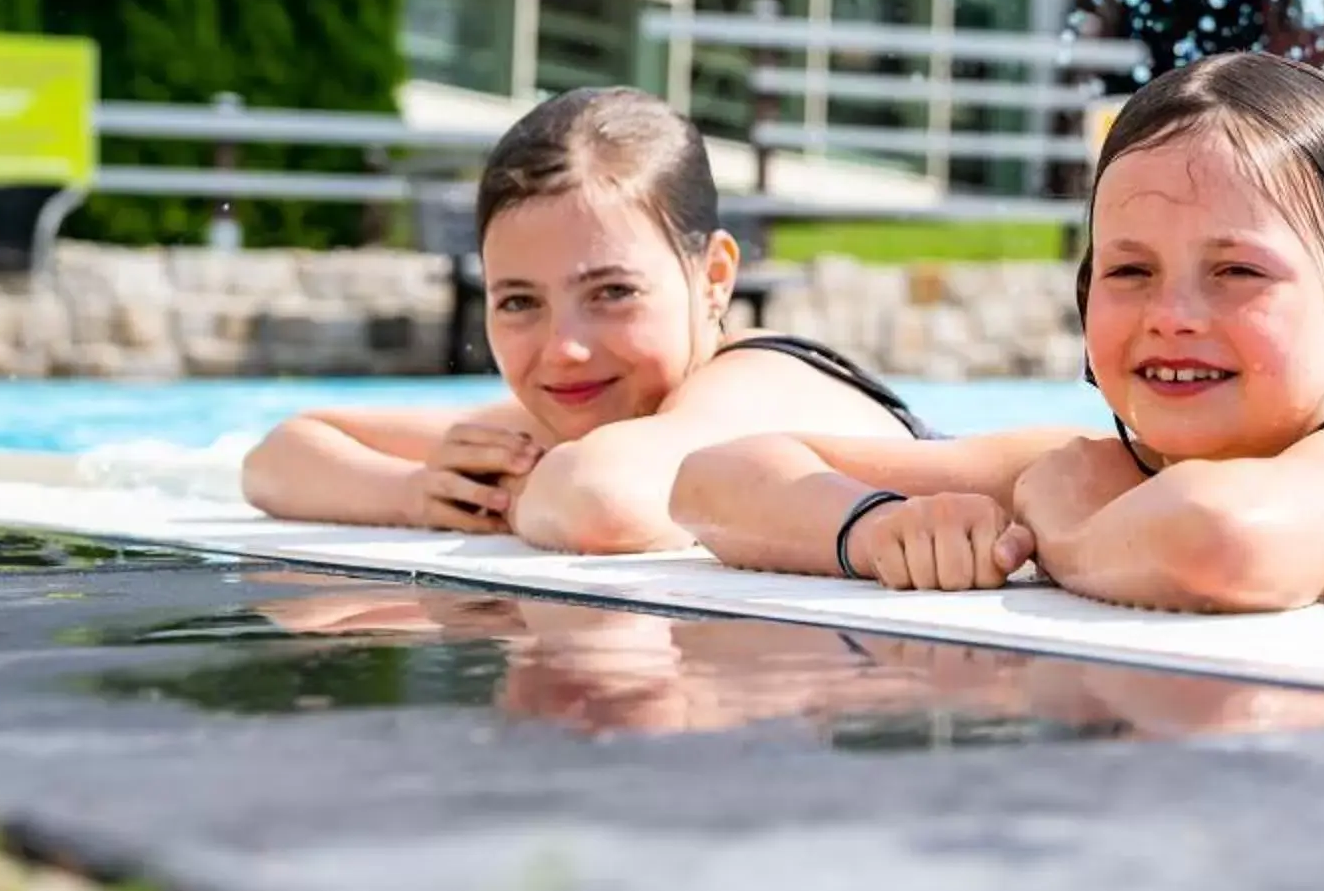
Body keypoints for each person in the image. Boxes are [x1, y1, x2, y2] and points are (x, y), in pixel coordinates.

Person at [672, 51, 1324, 613]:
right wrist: (878, 528)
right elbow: (713, 479)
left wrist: (1063, 529)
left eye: (1237, 273)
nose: (1171, 315)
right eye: (1130, 272)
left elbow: (1221, 541)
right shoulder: (1085, 466)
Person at [240, 87, 924, 548]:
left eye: (612, 293)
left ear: (713, 277)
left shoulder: (753, 385)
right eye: (518, 302)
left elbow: (601, 500)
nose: (563, 349)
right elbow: (280, 456)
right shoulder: (597, 414)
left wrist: (497, 496)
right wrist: (422, 493)